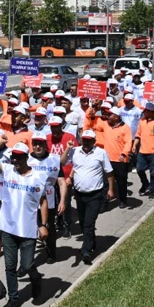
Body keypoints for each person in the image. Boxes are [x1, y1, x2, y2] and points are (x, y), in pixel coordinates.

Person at [0, 142, 49, 307]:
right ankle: (14, 298)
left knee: (27, 265)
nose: (15, 160)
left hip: (27, 229)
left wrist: (43, 225)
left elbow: (43, 201)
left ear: (27, 157)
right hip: (8, 228)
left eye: (19, 157)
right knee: (10, 266)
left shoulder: (38, 177)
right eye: (13, 157)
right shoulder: (8, 170)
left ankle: (36, 279)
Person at [61, 130, 115, 264]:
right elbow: (62, 162)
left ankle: (86, 251)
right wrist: (68, 149)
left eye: (89, 140)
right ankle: (92, 242)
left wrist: (111, 189)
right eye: (84, 139)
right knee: (83, 222)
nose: (86, 142)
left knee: (89, 223)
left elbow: (109, 172)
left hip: (95, 195)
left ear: (94, 141)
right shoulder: (75, 151)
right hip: (79, 195)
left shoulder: (101, 153)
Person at [28, 134, 66, 264]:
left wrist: (62, 201)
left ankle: (51, 253)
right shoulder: (26, 159)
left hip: (49, 201)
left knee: (49, 228)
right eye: (35, 144)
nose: (37, 147)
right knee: (29, 229)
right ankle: (28, 260)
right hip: (30, 202)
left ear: (45, 145)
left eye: (40, 144)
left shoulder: (54, 159)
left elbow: (62, 182)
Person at [95, 107, 133, 209]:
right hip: (107, 160)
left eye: (110, 114)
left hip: (120, 161)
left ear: (116, 117)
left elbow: (128, 142)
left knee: (121, 182)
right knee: (105, 183)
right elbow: (94, 126)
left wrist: (124, 154)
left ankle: (123, 200)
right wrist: (92, 115)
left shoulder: (125, 128)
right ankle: (104, 203)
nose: (108, 116)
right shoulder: (106, 124)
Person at [132, 102, 154, 200]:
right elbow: (138, 134)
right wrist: (135, 144)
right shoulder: (142, 121)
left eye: (147, 111)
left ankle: (152, 190)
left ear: (152, 112)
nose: (145, 112)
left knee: (153, 172)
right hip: (143, 151)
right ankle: (145, 184)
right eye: (145, 110)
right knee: (139, 169)